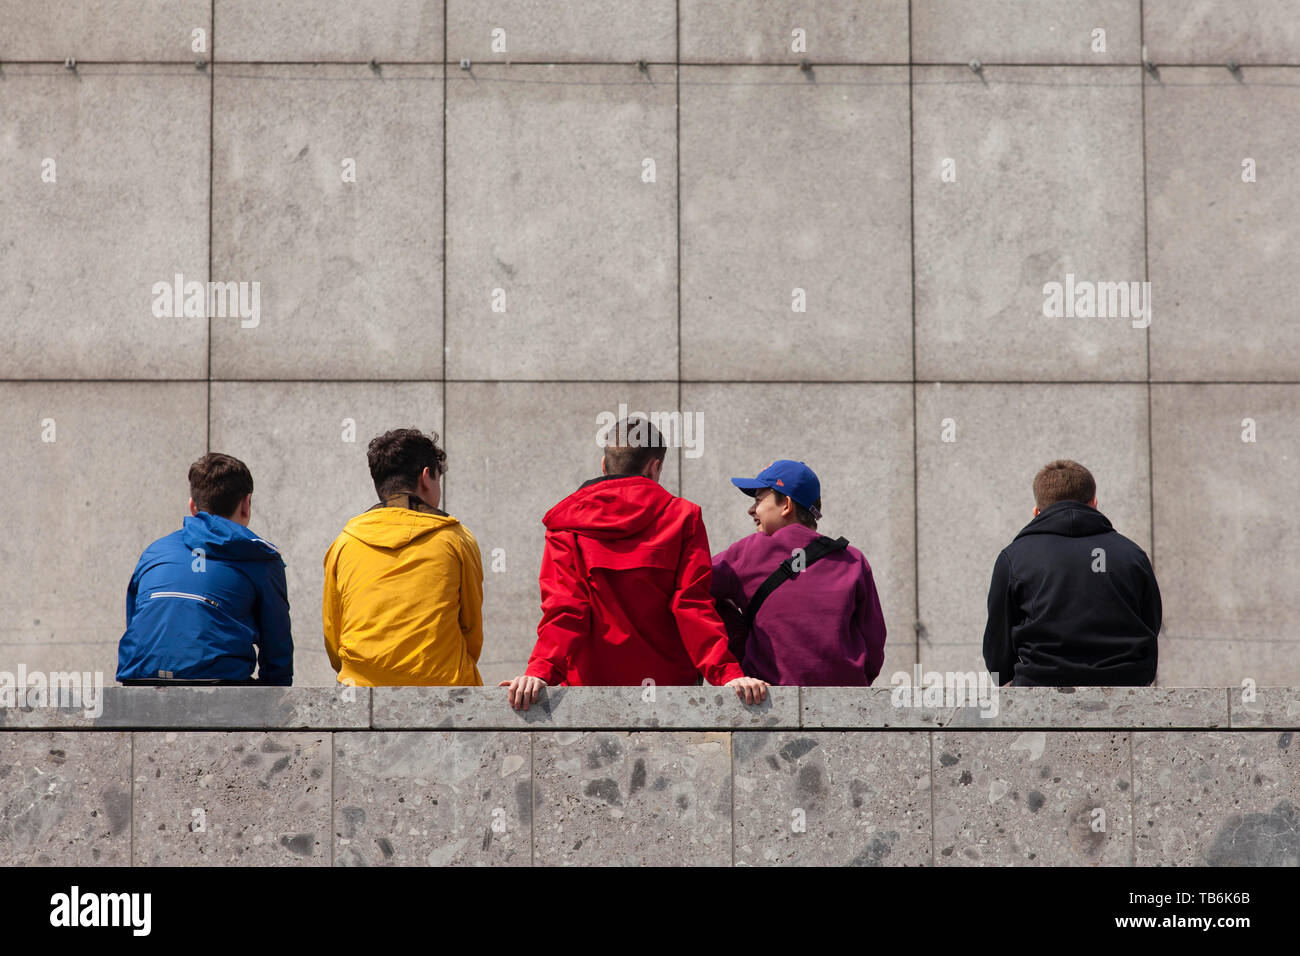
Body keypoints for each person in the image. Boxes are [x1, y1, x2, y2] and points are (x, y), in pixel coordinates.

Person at [501, 416, 768, 710]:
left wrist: (540, 670)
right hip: (669, 695)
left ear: (604, 465)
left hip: (589, 695)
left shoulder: (567, 525)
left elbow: (566, 610)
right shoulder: (682, 518)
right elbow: (691, 606)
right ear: (654, 466)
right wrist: (726, 674)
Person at [323, 428, 483, 687]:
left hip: (360, 689)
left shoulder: (345, 542)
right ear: (426, 476)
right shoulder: (456, 539)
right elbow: (472, 630)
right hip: (445, 689)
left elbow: (333, 635)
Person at [117, 453, 292, 685]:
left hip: (139, 680)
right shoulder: (260, 557)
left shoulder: (155, 551)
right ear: (246, 504)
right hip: (218, 686)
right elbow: (277, 653)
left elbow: (138, 622)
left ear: (193, 506)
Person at [982, 459, 1161, 686]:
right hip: (1125, 687)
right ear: (1094, 503)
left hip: (1039, 686)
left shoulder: (1014, 557)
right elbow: (1150, 625)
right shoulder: (1132, 555)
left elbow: (998, 645)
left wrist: (1009, 677)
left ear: (1037, 512)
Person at [711, 460, 886, 685]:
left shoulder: (750, 552)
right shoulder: (853, 559)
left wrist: (742, 648)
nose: (751, 510)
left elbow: (690, 589)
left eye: (758, 499)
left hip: (768, 700)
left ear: (786, 505)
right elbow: (874, 643)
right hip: (846, 703)